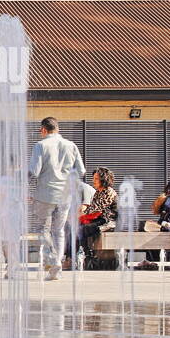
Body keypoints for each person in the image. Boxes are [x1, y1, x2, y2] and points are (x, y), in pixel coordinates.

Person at [28, 117, 86, 281]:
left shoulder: (40, 145)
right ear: (58, 129)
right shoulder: (71, 145)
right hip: (65, 195)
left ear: (43, 130)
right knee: (59, 231)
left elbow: (34, 171)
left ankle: (54, 262)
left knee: (42, 230)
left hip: (45, 195)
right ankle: (57, 267)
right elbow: (81, 171)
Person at [78, 167, 118, 267]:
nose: (93, 181)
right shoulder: (97, 193)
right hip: (99, 219)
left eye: (96, 179)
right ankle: (76, 256)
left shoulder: (109, 192)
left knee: (82, 229)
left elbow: (97, 210)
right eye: (93, 178)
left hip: (107, 221)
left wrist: (83, 215)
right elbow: (91, 209)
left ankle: (86, 256)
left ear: (103, 179)